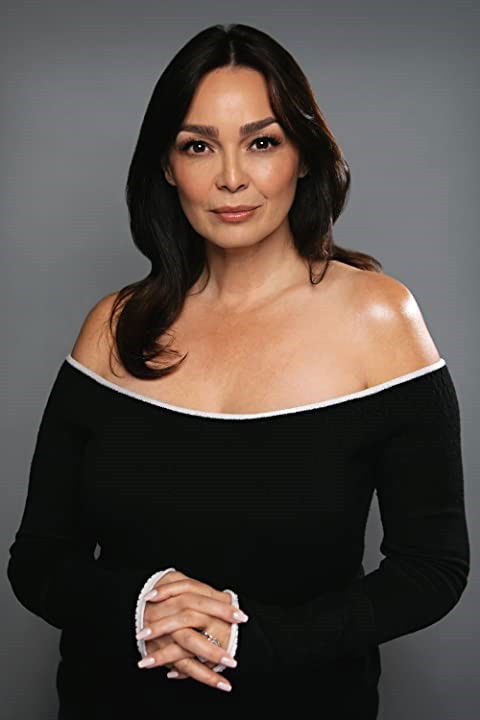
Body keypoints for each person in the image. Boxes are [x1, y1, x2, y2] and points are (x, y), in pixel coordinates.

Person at [7, 22, 470, 718]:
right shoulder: (112, 326)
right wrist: (141, 606)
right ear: (168, 166)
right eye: (198, 145)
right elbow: (39, 558)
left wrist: (252, 641)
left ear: (304, 155)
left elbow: (432, 569)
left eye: (262, 142)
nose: (231, 177)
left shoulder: (381, 319)